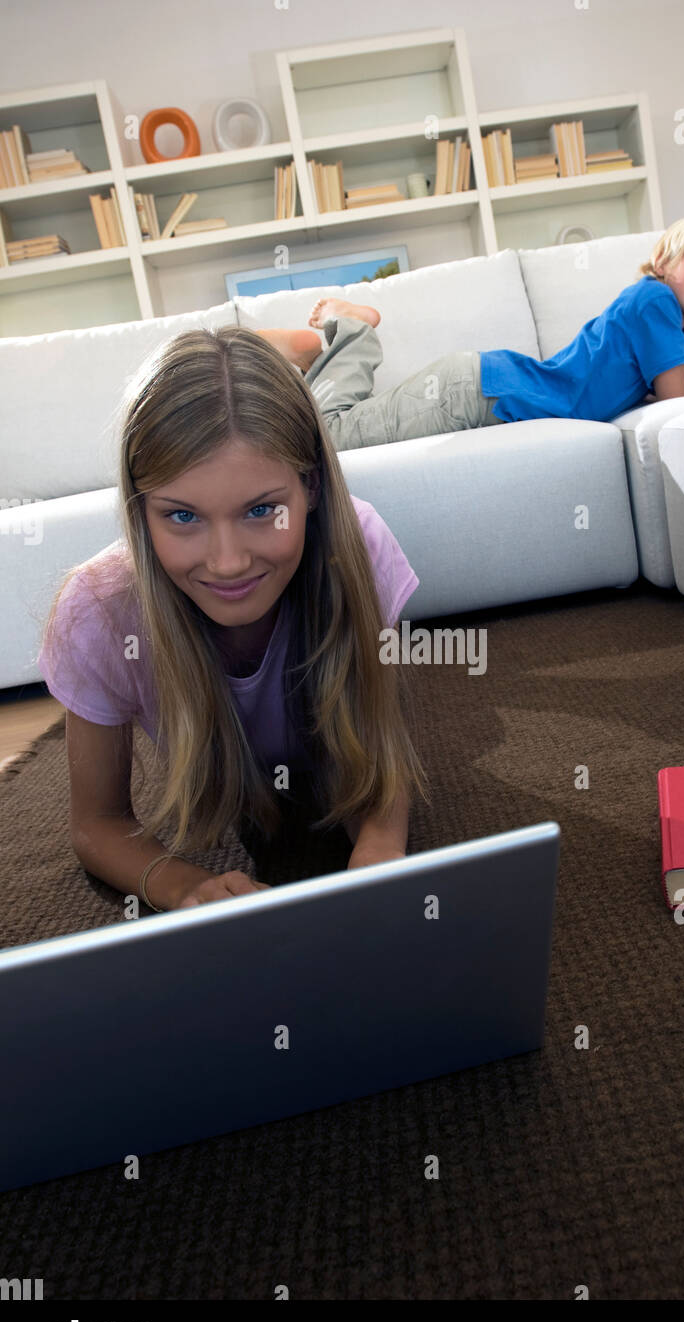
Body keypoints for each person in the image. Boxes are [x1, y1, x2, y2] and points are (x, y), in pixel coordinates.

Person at [38, 328, 429, 913]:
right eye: (182, 516)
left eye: (261, 510)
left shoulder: (361, 549)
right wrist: (182, 884)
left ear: (312, 488)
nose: (228, 562)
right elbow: (97, 823)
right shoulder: (98, 612)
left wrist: (380, 846)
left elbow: (380, 750)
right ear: (140, 514)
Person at [259, 213, 684, 449]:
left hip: (477, 385)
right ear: (663, 261)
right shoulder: (655, 299)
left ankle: (322, 361)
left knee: (338, 430)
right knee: (330, 440)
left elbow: (649, 395)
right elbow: (676, 407)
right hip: (473, 392)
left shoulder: (661, 316)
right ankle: (351, 332)